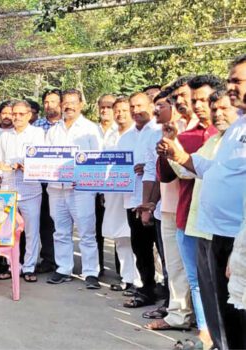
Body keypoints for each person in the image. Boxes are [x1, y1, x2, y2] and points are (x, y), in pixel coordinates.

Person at [158, 55, 246, 349]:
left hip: (238, 237)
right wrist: (178, 154)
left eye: (237, 81)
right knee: (221, 310)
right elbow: (212, 170)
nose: (230, 87)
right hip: (214, 233)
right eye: (230, 80)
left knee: (237, 311)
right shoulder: (236, 128)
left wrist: (241, 251)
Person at [155, 75, 223, 336]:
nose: (196, 105)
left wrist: (177, 151)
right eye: (190, 100)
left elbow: (195, 170)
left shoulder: (226, 135)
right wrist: (173, 148)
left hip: (221, 222)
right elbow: (174, 173)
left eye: (201, 100)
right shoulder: (189, 133)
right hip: (189, 215)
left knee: (218, 281)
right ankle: (206, 335)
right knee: (196, 280)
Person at [44, 89, 102, 288]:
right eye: (65, 103)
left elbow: (98, 158)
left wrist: (87, 178)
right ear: (61, 106)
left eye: (73, 102)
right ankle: (63, 268)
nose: (68, 106)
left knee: (86, 231)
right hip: (55, 187)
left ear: (81, 104)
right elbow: (45, 158)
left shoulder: (90, 129)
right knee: (60, 231)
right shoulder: (53, 130)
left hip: (81, 188)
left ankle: (91, 272)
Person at [0, 100, 45, 282]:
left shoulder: (38, 134)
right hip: (8, 190)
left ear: (29, 115)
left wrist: (23, 164)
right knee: (9, 231)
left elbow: (41, 159)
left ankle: (29, 267)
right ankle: (12, 265)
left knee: (31, 231)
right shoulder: (4, 136)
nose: (16, 117)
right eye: (13, 114)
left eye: (21, 114)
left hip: (30, 190)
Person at [123, 91, 165, 310]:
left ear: (151, 105)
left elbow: (155, 169)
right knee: (141, 248)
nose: (135, 111)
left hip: (155, 201)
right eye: (132, 106)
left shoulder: (158, 131)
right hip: (132, 200)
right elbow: (113, 167)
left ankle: (167, 293)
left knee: (163, 249)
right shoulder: (125, 137)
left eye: (140, 106)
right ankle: (146, 288)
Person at [100, 96, 139, 294]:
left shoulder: (137, 134)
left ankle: (141, 281)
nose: (120, 113)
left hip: (133, 192)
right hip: (113, 194)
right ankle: (127, 278)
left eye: (125, 110)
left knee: (136, 238)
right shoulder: (110, 135)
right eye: (118, 110)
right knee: (120, 238)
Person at [34, 89, 62, 274]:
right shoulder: (36, 126)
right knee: (45, 222)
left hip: (64, 181)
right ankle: (48, 258)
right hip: (41, 181)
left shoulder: (66, 125)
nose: (49, 105)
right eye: (46, 102)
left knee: (61, 223)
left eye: (53, 101)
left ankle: (63, 261)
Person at [94, 93, 116, 275]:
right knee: (96, 228)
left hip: (115, 187)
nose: (105, 110)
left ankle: (123, 272)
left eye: (109, 106)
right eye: (102, 106)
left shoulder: (121, 131)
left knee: (120, 232)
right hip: (92, 187)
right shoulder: (91, 130)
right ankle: (97, 267)